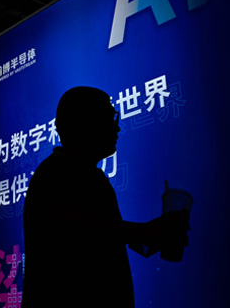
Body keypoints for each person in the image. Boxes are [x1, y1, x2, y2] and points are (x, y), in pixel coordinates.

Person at [22, 86, 189, 308]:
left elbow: (93, 237)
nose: (117, 126)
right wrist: (145, 232)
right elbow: (83, 230)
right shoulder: (57, 173)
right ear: (92, 121)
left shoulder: (75, 172)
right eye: (111, 116)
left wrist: (147, 235)